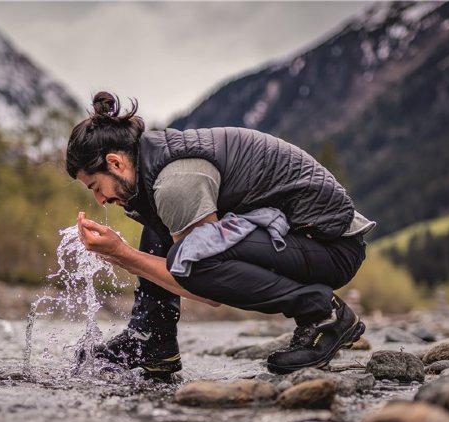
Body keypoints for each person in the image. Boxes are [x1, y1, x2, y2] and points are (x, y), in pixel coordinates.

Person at [66, 91, 376, 377]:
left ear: (115, 162)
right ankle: (151, 340)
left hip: (331, 247)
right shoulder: (153, 168)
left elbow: (202, 285)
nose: (101, 200)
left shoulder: (176, 182)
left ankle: (323, 314)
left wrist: (121, 254)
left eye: (96, 187)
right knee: (161, 232)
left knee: (190, 258)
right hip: (301, 238)